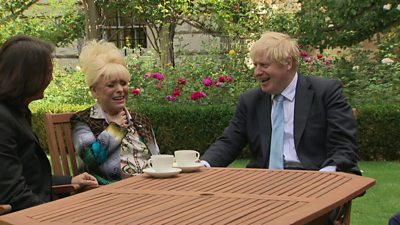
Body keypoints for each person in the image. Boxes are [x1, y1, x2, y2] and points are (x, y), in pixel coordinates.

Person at [201, 31, 360, 174]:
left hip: (314, 177)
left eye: (264, 65)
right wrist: (204, 164)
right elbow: (230, 141)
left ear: (288, 63)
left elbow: (343, 147)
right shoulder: (250, 101)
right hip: (263, 183)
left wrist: (326, 175)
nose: (257, 72)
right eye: (255, 65)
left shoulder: (325, 92)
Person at [0, 35, 98, 212]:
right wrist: (55, 215)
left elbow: (30, 176)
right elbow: (13, 193)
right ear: (29, 76)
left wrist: (69, 181)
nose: (51, 78)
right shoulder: (3, 120)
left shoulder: (17, 110)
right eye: (47, 72)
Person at [71, 40, 160, 185]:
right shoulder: (83, 121)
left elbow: (156, 157)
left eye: (123, 83)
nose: (120, 89)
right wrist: (115, 129)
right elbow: (89, 160)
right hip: (113, 193)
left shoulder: (140, 120)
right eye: (111, 85)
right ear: (94, 91)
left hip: (151, 187)